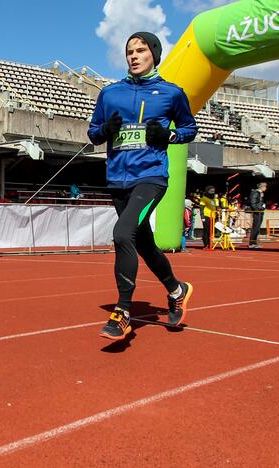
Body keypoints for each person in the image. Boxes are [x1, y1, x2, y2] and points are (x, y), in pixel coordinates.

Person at [87, 31, 198, 341]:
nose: (134, 56)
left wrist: (169, 136)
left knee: (122, 233)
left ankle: (123, 312)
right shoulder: (110, 94)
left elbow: (189, 128)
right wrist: (105, 131)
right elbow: (93, 133)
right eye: (130, 51)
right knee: (144, 244)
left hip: (151, 177)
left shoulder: (171, 94)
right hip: (117, 178)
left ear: (154, 55)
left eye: (141, 50)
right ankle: (177, 289)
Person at [247, 182, 267, 249]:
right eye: (265, 187)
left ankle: (254, 243)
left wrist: (262, 207)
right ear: (262, 187)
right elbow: (253, 203)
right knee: (255, 228)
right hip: (257, 212)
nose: (266, 188)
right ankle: (251, 243)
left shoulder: (260, 193)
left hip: (260, 211)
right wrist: (257, 210)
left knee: (257, 228)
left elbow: (259, 202)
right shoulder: (255, 193)